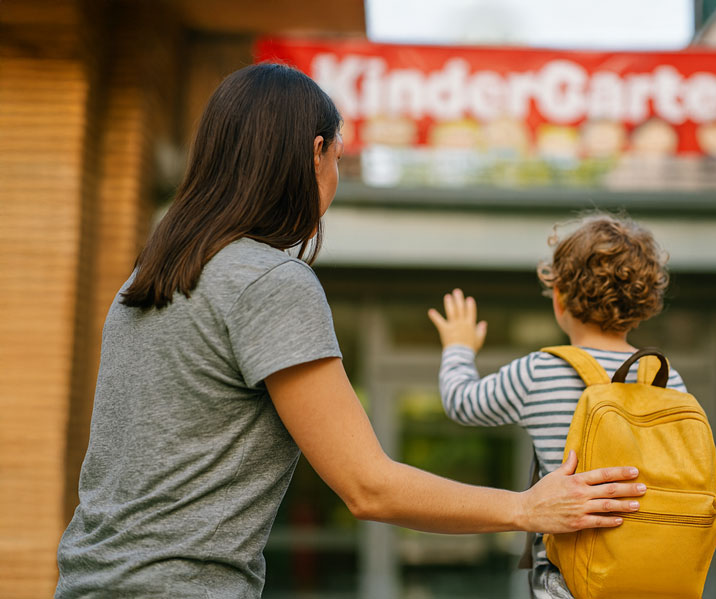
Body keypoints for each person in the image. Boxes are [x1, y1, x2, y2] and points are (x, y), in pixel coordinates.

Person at [55, 64, 647, 598]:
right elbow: (369, 487)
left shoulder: (150, 280)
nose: (336, 177)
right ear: (316, 153)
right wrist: (527, 508)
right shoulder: (269, 282)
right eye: (338, 158)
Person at [427, 213, 687, 599]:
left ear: (560, 297)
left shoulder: (541, 371)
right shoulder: (667, 379)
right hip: (651, 577)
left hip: (566, 584)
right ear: (644, 302)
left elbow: (461, 402)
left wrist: (458, 347)